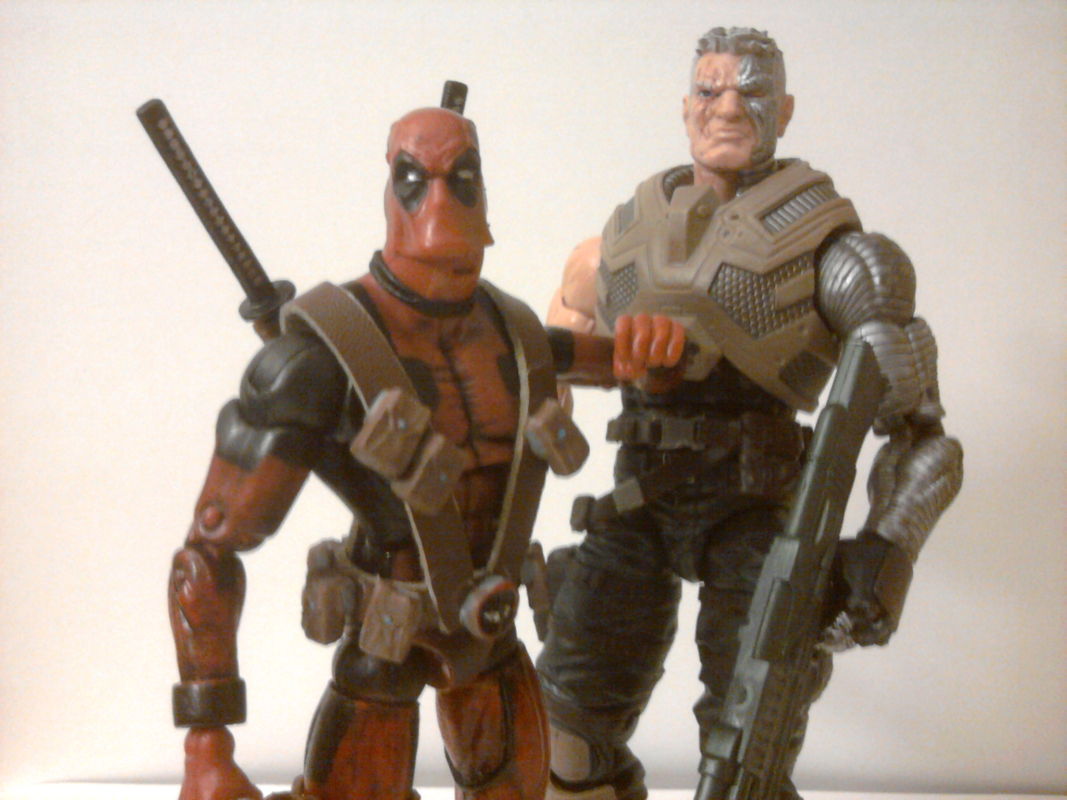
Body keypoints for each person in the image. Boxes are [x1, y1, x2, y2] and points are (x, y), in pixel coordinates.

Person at [537, 27, 964, 800]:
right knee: (561, 735)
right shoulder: (618, 243)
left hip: (758, 512)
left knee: (744, 754)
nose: (728, 108)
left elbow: (922, 436)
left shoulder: (837, 256)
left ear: (784, 110)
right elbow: (549, 364)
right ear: (685, 107)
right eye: (709, 91)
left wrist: (886, 550)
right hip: (637, 499)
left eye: (751, 92)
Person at [166, 97, 614, 800]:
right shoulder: (313, 361)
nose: (441, 200)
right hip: (386, 634)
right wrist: (207, 746)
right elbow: (207, 552)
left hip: (492, 632)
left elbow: (625, 361)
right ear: (392, 188)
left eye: (460, 176)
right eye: (416, 178)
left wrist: (654, 343)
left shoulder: (516, 334)